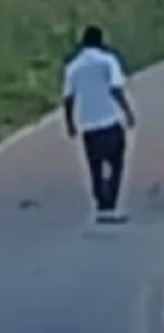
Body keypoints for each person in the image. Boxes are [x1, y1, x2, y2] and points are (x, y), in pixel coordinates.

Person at [62, 25, 136, 224]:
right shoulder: (108, 61)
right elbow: (116, 89)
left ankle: (102, 203)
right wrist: (128, 112)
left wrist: (69, 122)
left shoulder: (73, 67)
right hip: (110, 121)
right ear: (101, 40)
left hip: (89, 125)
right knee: (116, 164)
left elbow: (68, 98)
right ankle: (111, 199)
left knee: (95, 167)